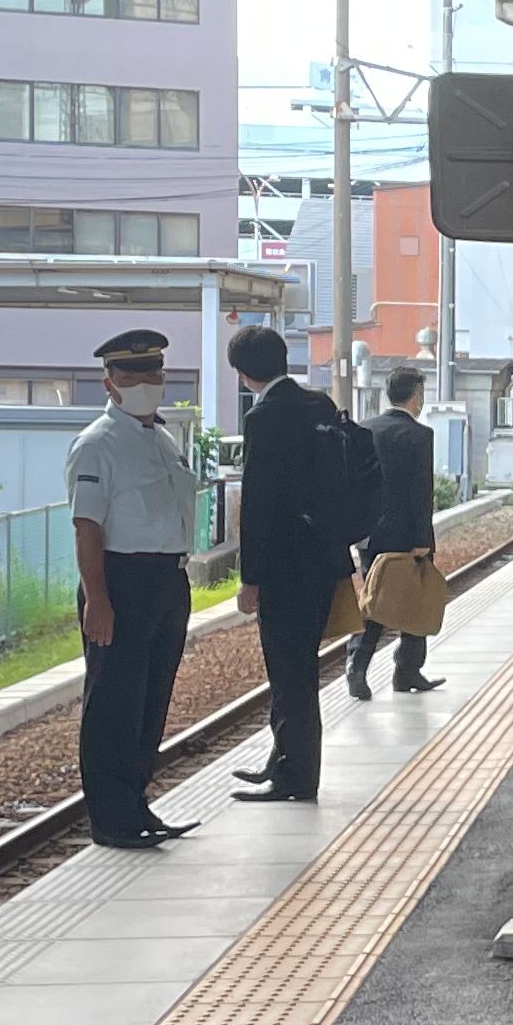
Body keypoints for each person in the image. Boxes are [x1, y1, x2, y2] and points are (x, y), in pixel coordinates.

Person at [68, 326, 200, 852]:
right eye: (132, 373)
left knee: (150, 699)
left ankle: (136, 802)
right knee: (113, 703)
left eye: (153, 372)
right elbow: (87, 528)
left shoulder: (163, 440)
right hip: (119, 582)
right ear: (110, 383)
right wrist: (97, 598)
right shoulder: (96, 445)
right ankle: (111, 817)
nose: (146, 381)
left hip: (166, 580)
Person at [227, 323, 354, 805]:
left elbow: (259, 502)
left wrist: (250, 578)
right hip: (324, 560)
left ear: (242, 374)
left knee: (290, 673)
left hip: (285, 568)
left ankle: (296, 775)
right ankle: (283, 759)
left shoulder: (266, 418)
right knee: (298, 668)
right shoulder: (318, 406)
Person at [347, 362, 444, 701]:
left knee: (375, 599)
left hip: (368, 535)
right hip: (406, 536)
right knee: (413, 598)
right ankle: (406, 669)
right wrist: (422, 540)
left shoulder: (365, 429)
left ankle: (359, 664)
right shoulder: (420, 435)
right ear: (416, 396)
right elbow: (421, 491)